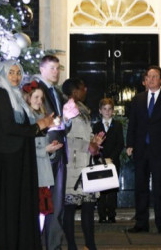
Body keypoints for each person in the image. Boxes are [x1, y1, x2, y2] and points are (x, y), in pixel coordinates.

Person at [0, 60, 54, 250]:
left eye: (18, 73)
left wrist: (42, 126)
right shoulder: (0, 93)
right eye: (11, 72)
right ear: (3, 74)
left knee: (19, 205)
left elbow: (25, 128)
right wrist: (38, 126)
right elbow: (9, 127)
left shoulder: (18, 97)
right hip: (5, 159)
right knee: (8, 205)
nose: (15, 77)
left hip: (20, 157)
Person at [126, 65, 161, 235]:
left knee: (160, 188)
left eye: (155, 76)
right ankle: (141, 223)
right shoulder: (138, 99)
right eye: (148, 76)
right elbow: (132, 124)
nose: (151, 79)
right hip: (141, 150)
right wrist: (130, 144)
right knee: (140, 187)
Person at [61, 78, 103, 250]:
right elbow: (65, 139)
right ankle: (71, 245)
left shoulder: (84, 110)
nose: (86, 90)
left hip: (87, 164)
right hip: (73, 165)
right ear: (74, 91)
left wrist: (95, 140)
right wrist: (87, 145)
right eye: (82, 88)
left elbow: (84, 135)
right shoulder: (66, 110)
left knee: (88, 206)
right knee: (69, 208)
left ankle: (90, 245)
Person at [36, 55, 71, 250]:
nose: (55, 72)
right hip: (45, 152)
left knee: (57, 206)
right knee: (42, 205)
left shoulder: (57, 92)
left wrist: (68, 119)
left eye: (57, 68)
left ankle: (54, 245)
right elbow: (36, 120)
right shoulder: (35, 90)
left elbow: (62, 124)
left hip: (59, 153)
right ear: (41, 69)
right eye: (51, 68)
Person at [22, 81, 64, 221]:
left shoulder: (41, 118)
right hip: (30, 171)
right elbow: (24, 145)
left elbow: (40, 143)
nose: (40, 101)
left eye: (41, 98)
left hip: (42, 171)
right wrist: (44, 149)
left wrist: (50, 148)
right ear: (27, 97)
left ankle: (36, 241)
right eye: (36, 97)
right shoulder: (23, 118)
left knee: (41, 212)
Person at [92, 98, 124, 224]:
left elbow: (120, 143)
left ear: (113, 111)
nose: (107, 111)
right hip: (100, 160)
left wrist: (112, 157)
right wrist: (100, 157)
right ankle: (101, 215)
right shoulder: (96, 126)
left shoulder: (117, 125)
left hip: (113, 161)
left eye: (110, 109)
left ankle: (111, 214)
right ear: (100, 111)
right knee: (101, 188)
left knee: (112, 188)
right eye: (104, 109)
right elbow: (94, 143)